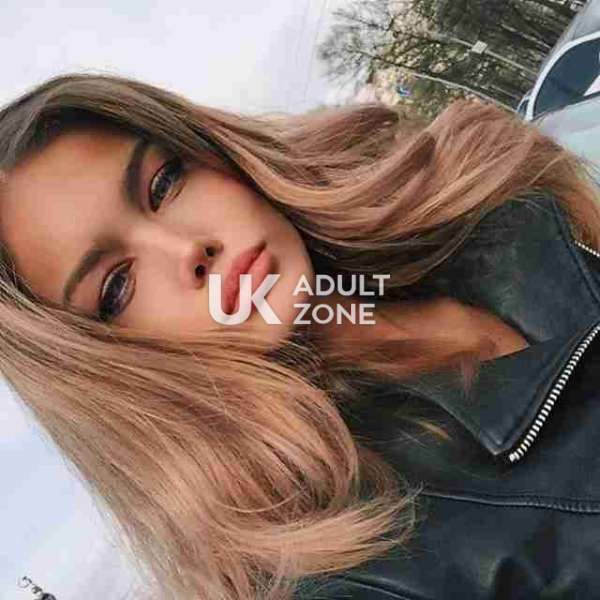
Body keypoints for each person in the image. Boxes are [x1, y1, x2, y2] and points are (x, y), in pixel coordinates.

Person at [0, 73, 599, 600]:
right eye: (116, 287)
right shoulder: (351, 564)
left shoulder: (493, 194)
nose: (188, 249)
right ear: (106, 367)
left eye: (163, 184)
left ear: (217, 154)